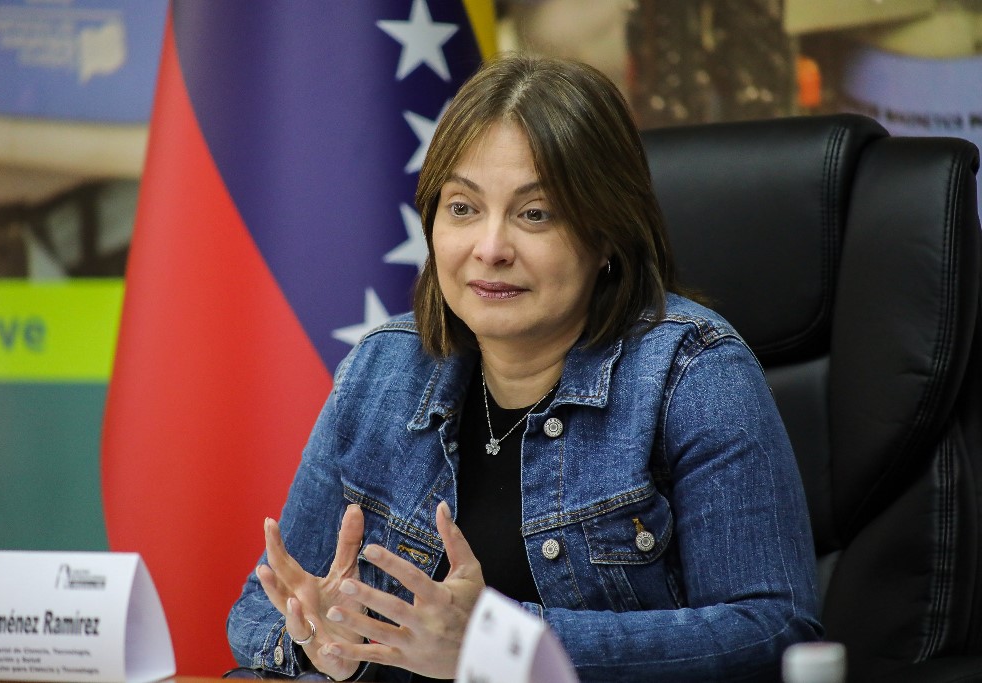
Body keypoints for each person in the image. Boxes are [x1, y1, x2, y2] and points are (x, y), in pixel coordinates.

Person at [227, 54, 822, 682]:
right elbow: (262, 611)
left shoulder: (693, 372)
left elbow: (774, 629)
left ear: (608, 234)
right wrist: (323, 640)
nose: (490, 249)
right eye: (462, 208)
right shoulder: (383, 370)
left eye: (535, 213)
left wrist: (496, 644)